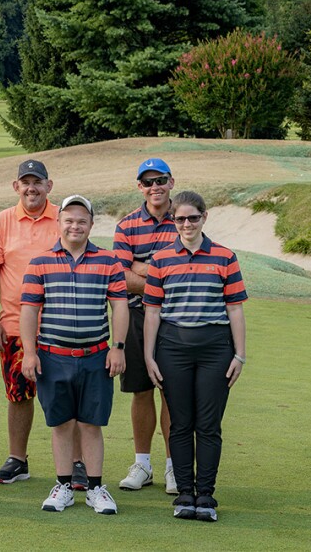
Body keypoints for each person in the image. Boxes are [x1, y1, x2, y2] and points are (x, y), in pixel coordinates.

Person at [142, 191, 248, 522]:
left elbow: (235, 309)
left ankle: (206, 495)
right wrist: (149, 356)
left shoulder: (224, 257)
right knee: (180, 423)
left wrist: (240, 356)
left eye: (193, 218)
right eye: (180, 219)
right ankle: (185, 494)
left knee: (208, 425)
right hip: (173, 346)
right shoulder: (160, 260)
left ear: (205, 217)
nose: (187, 224)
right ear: (172, 220)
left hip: (216, 347)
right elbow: (152, 314)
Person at [0, 160, 88, 489]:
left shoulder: (62, 219)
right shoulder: (2, 221)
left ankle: (78, 463)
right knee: (18, 395)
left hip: (59, 326)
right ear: (16, 186)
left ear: (49, 185)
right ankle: (18, 459)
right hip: (13, 324)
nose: (31, 188)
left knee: (69, 397)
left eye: (37, 182)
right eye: (25, 182)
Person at [21, 195, 129, 515]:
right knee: (62, 424)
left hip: (96, 355)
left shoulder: (109, 262)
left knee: (91, 424)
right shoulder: (40, 263)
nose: (75, 226)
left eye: (82, 220)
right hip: (53, 355)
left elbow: (120, 307)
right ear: (59, 222)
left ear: (91, 224)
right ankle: (64, 486)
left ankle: (96, 488)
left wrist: (118, 347)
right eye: (69, 220)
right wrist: (29, 352)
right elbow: (29, 309)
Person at [112, 157, 178, 494]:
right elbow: (120, 278)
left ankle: (173, 466)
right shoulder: (126, 226)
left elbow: (186, 272)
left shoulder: (183, 219)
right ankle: (143, 464)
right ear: (140, 186)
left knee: (170, 391)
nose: (155, 187)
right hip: (137, 315)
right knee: (140, 390)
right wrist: (159, 274)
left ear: (171, 182)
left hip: (174, 319)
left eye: (160, 180)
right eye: (148, 182)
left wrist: (142, 267)